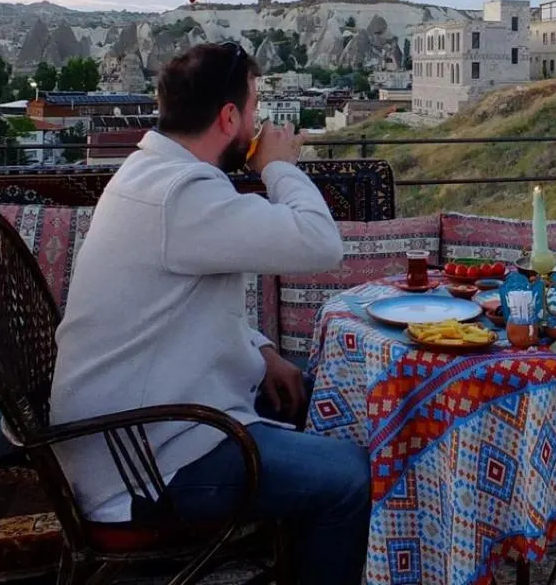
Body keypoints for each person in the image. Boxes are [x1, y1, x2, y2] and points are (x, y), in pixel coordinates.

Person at [49, 42, 370, 585]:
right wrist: (279, 167)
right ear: (229, 117)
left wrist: (262, 352)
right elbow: (321, 244)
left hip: (142, 433)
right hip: (147, 465)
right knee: (351, 479)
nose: (259, 121)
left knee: (334, 403)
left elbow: (181, 309)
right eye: (254, 107)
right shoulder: (180, 195)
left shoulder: (146, 176)